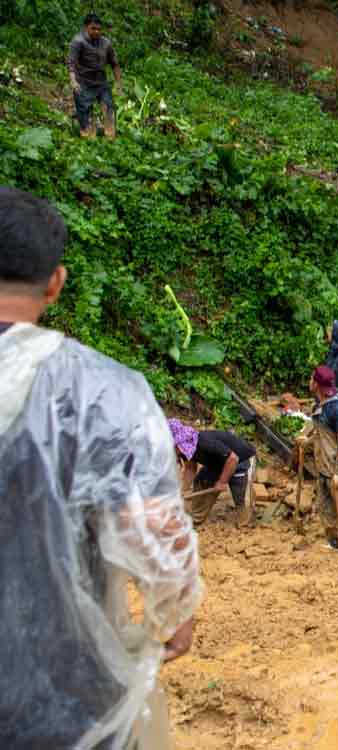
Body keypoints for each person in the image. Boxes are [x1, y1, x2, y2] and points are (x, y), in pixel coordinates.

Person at [0, 187, 202, 748]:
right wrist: (174, 612)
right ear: (55, 282)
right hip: (61, 695)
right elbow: (150, 523)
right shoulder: (99, 392)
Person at [300, 365, 338, 550]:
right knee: (326, 505)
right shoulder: (320, 406)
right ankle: (334, 539)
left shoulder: (336, 409)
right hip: (324, 465)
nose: (309, 382)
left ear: (316, 384)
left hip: (336, 466)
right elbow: (322, 435)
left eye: (312, 379)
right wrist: (307, 442)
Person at [168, 418, 258, 526]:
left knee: (241, 498)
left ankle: (245, 516)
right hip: (218, 463)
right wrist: (182, 491)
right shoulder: (187, 449)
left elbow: (233, 459)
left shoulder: (204, 443)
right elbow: (190, 469)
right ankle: (196, 518)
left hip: (241, 460)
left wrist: (222, 482)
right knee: (202, 480)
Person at [67, 13, 121, 139]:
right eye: (93, 28)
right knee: (85, 113)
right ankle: (87, 135)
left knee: (109, 109)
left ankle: (110, 137)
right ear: (85, 28)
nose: (96, 32)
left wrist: (118, 83)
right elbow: (71, 62)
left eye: (99, 29)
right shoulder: (78, 41)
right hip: (83, 82)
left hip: (101, 82)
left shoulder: (105, 43)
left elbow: (114, 64)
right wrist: (73, 80)